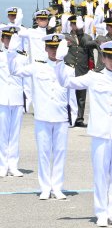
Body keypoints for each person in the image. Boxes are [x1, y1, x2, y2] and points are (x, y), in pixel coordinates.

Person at [56, 41, 112, 227]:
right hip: (101, 133)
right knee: (100, 173)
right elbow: (66, 82)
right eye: (110, 57)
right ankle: (101, 212)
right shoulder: (93, 77)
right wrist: (59, 61)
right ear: (103, 58)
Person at [8, 33, 70, 200]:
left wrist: (74, 114)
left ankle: (57, 187)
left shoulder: (67, 69)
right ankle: (44, 187)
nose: (53, 50)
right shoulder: (37, 66)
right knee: (43, 153)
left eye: (56, 47)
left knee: (59, 153)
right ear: (45, 48)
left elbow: (71, 94)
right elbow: (14, 70)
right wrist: (11, 52)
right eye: (51, 47)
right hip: (43, 116)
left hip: (61, 117)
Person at [0, 26, 25, 177]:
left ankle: (13, 165)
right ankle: (2, 165)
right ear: (2, 39)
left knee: (15, 134)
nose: (8, 41)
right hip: (2, 98)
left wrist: (27, 98)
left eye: (11, 38)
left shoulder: (22, 57)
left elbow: (26, 81)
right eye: (6, 38)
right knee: (2, 134)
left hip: (16, 98)